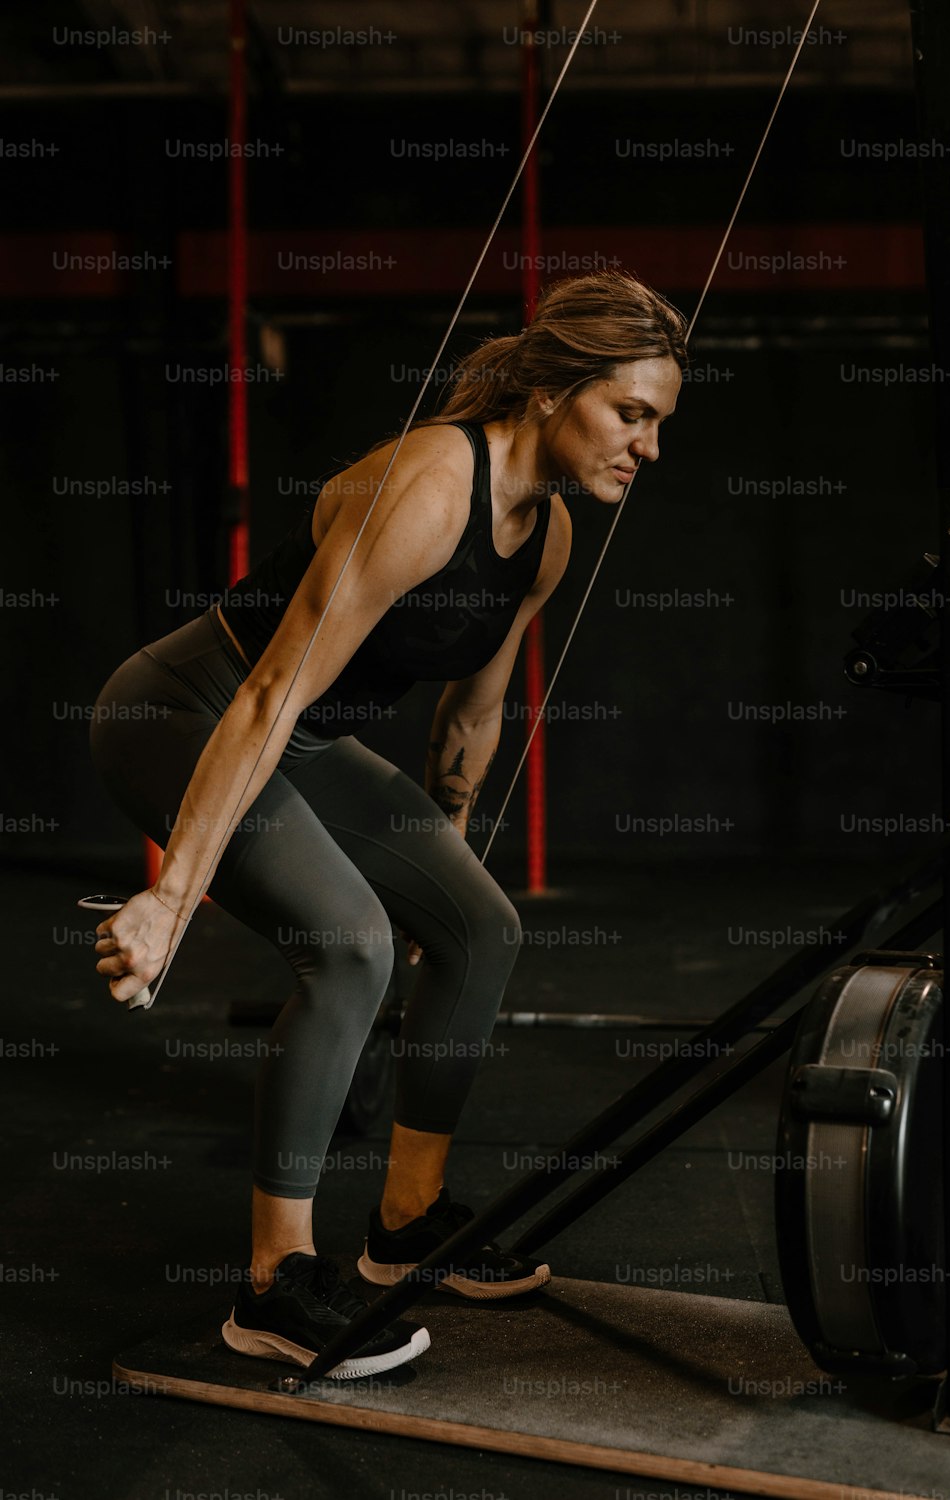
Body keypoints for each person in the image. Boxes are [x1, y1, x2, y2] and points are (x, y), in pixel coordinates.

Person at [88, 269, 688, 1379]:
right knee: (350, 948)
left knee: (480, 926)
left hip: (301, 741)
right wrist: (172, 897)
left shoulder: (544, 536)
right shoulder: (424, 488)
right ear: (556, 391)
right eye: (631, 415)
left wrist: (439, 874)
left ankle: (404, 1226)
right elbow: (269, 693)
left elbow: (470, 715)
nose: (646, 449)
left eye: (657, 424)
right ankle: (271, 1286)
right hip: (184, 713)